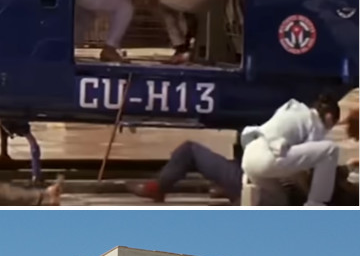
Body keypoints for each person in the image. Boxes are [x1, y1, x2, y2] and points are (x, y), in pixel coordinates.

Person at [128, 105, 358, 205]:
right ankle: (224, 188)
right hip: (267, 181)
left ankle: (158, 187)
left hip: (263, 184)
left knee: (190, 150)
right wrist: (346, 169)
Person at [240, 95, 341, 206]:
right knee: (331, 150)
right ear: (329, 117)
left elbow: (294, 162)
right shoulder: (315, 122)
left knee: (280, 202)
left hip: (249, 158)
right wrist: (308, 193)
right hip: (267, 158)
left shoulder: (292, 110)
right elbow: (304, 167)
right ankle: (316, 205)